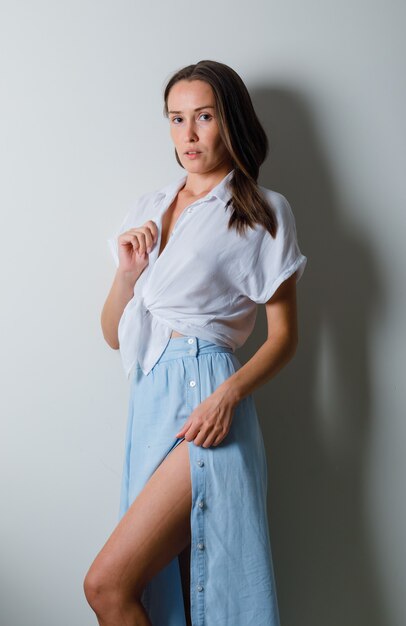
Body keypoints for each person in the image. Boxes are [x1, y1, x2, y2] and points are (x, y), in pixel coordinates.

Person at [83, 59, 307, 626]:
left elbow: (284, 338)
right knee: (167, 590)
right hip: (150, 397)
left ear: (228, 121)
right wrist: (127, 275)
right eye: (176, 118)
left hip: (209, 395)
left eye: (203, 117)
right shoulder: (147, 208)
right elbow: (114, 335)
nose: (188, 134)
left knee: (109, 584)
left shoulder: (261, 212)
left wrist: (227, 395)